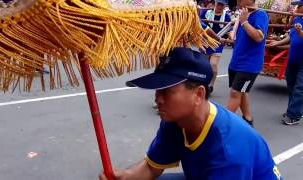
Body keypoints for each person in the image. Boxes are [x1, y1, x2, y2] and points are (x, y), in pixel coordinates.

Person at [99, 48, 282, 180]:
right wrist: (126, 176)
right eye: (157, 90)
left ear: (199, 94)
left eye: (167, 91)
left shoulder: (229, 151)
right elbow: (151, 168)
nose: (158, 99)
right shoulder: (175, 120)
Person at [226, 0, 269, 126]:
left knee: (235, 92)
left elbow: (259, 37)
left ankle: (223, 124)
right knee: (242, 91)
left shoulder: (261, 15)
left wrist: (244, 22)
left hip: (250, 65)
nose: (238, 1)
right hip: (236, 62)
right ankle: (248, 119)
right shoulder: (243, 13)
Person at [267, 1, 303, 125]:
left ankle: (293, 115)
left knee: (299, 88)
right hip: (293, 58)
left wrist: (300, 33)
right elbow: (291, 37)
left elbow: (299, 35)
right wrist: (277, 43)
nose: (295, 8)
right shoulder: (297, 19)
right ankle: (295, 110)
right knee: (291, 85)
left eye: (298, 6)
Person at [200, 0, 231, 93]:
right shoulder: (206, 13)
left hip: (218, 42)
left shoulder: (227, 16)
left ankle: (211, 85)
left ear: (225, 5)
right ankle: (202, 83)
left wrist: (228, 37)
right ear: (215, 3)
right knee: (204, 64)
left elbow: (229, 29)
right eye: (218, 4)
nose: (219, 6)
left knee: (213, 64)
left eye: (222, 4)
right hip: (206, 41)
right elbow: (201, 25)